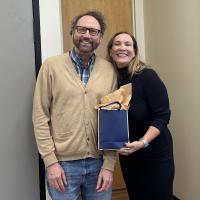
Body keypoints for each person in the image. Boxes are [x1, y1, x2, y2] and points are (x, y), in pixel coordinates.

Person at [32, 10, 117, 200]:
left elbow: (112, 121)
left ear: (100, 37)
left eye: (93, 31)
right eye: (81, 29)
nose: (87, 35)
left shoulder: (109, 70)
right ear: (72, 33)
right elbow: (40, 117)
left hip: (98, 164)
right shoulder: (51, 66)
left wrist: (109, 165)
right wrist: (50, 162)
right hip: (63, 165)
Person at [107, 32, 175, 200]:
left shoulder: (147, 76)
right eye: (117, 43)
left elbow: (162, 116)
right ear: (110, 51)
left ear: (134, 51)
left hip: (155, 153)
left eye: (128, 44)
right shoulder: (110, 81)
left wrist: (143, 142)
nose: (122, 47)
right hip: (129, 154)